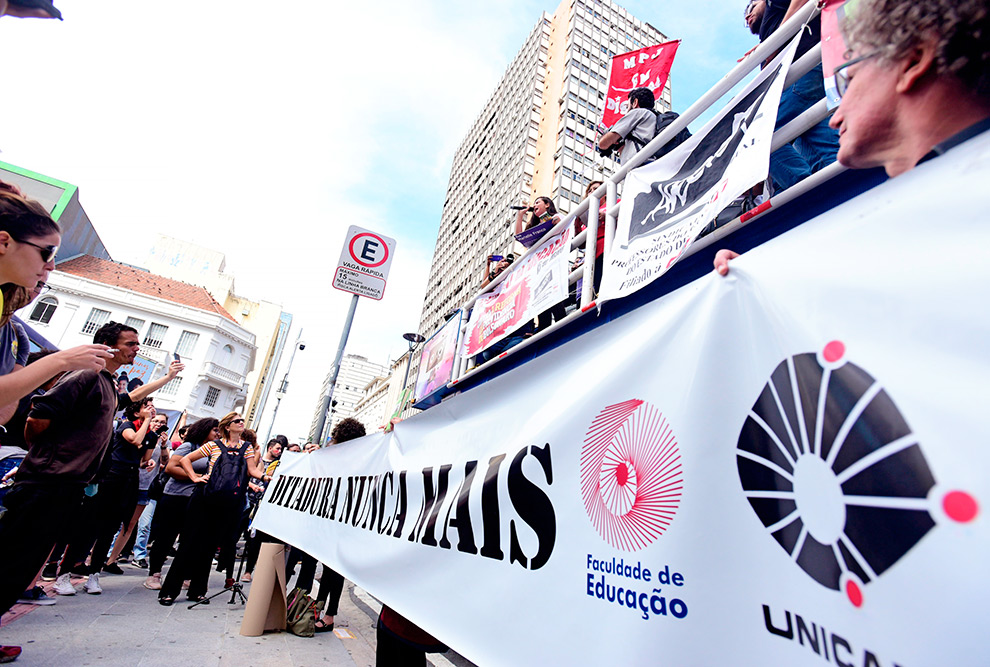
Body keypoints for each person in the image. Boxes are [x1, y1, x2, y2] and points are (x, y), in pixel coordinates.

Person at [715, 0, 990, 276]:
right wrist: (763, 274)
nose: (835, 115)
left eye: (849, 79)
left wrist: (776, 43)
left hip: (795, 67)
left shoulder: (953, 217)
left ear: (914, 60)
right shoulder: (930, 214)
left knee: (758, 137)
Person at [158, 412, 262, 605]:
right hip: (204, 498)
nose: (241, 423)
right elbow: (184, 460)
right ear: (228, 426)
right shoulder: (213, 445)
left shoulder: (247, 448)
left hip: (228, 502)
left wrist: (265, 477)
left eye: (242, 421)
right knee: (188, 542)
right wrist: (195, 477)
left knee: (209, 546)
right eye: (237, 421)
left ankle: (198, 590)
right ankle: (169, 591)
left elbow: (252, 470)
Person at [744, 0, 839, 192]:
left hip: (802, 72)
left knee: (757, 135)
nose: (747, 14)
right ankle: (843, 181)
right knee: (814, 139)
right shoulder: (774, 20)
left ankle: (806, 194)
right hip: (809, 73)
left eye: (752, 5)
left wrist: (777, 42)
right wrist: (766, 46)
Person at [143, 418, 218, 591]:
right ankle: (154, 573)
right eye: (214, 430)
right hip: (176, 496)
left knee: (189, 538)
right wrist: (196, 476)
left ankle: (183, 574)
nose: (217, 434)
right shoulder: (189, 446)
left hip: (198, 499)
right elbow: (171, 468)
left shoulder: (214, 450)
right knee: (166, 536)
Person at [313, 418, 366, 633]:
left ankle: (328, 615)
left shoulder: (352, 457)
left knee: (334, 569)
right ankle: (321, 609)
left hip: (339, 519)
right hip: (341, 519)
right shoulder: (358, 457)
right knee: (329, 567)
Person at [597, 87, 658, 164]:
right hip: (653, 164)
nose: (626, 112)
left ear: (635, 102)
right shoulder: (653, 118)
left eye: (627, 107)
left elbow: (603, 144)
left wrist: (607, 139)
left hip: (638, 166)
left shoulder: (637, 112)